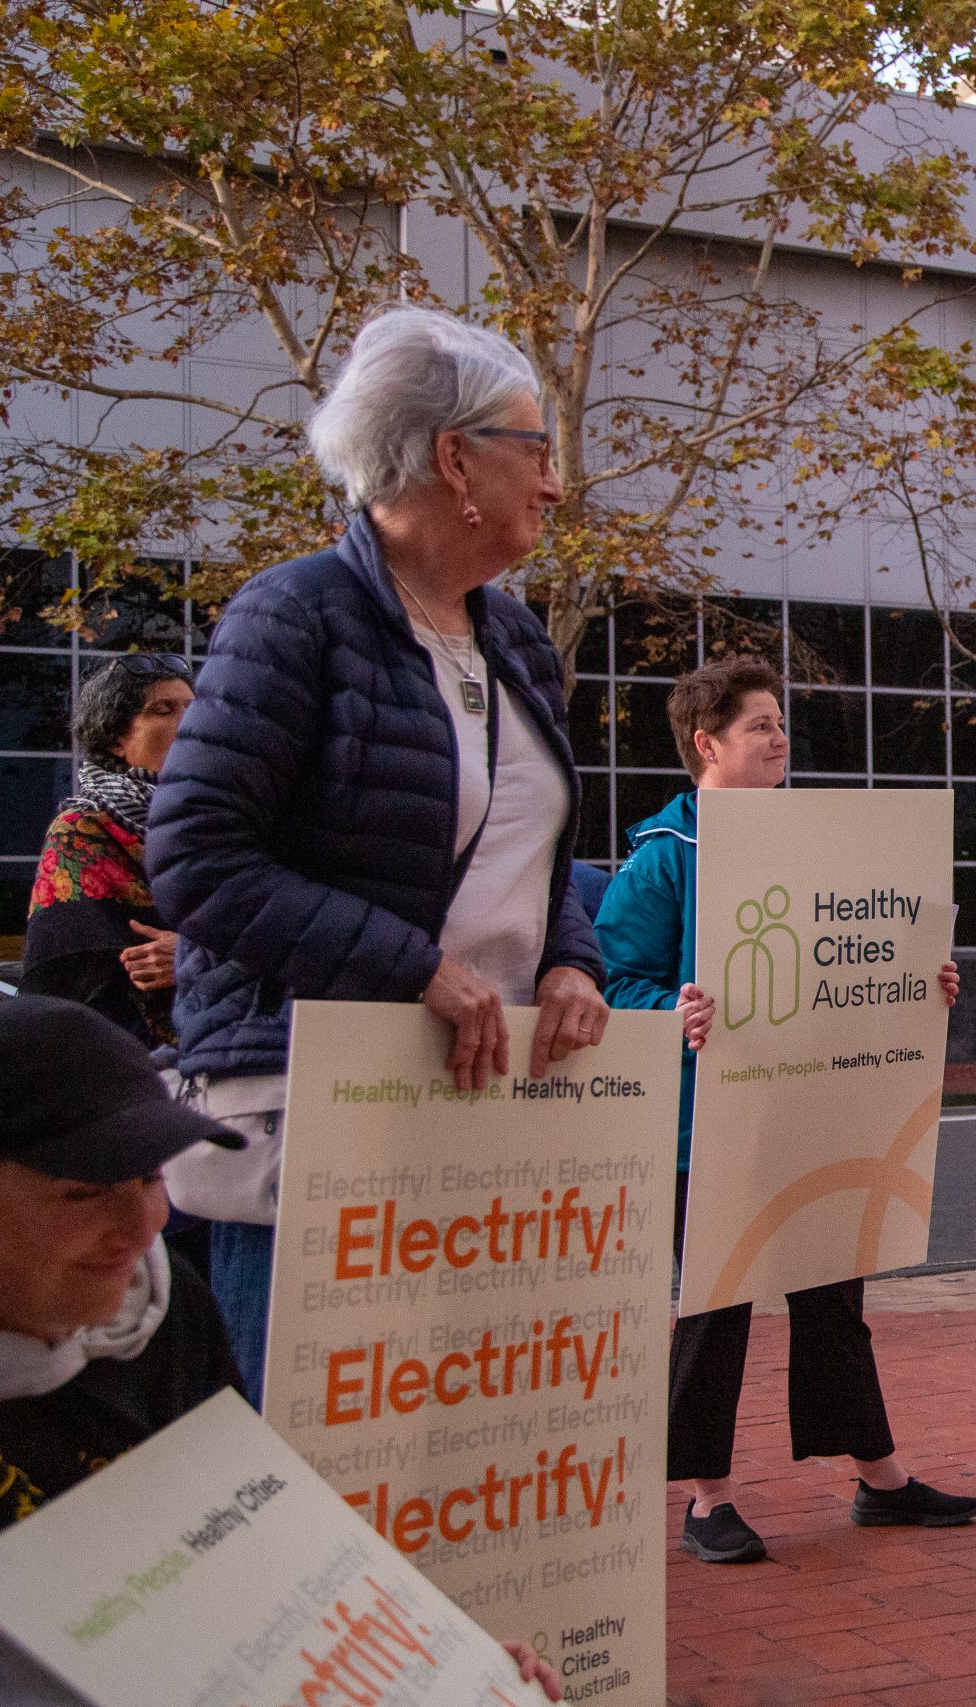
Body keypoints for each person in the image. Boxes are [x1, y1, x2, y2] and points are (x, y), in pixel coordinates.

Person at [147, 306, 610, 1403]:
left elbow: (532, 854)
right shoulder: (294, 613)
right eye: (537, 449)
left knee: (455, 1445)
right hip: (314, 1110)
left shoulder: (515, 638)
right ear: (455, 458)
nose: (555, 485)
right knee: (307, 1453)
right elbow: (197, 855)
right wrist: (414, 969)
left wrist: (570, 961)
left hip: (481, 1107)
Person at [0, 995, 562, 1705]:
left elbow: (255, 1546)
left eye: (150, 1177)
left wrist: (440, 1662)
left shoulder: (166, 1307)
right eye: (83, 1193)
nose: (142, 1227)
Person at [594, 655, 976, 1563]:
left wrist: (919, 981)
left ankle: (880, 1478)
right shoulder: (666, 855)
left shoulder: (814, 842)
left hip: (817, 1107)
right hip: (708, 1124)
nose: (780, 738)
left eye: (779, 721)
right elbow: (612, 981)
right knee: (715, 1304)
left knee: (834, 1291)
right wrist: (669, 1011)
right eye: (759, 725)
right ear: (707, 744)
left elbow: (859, 946)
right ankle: (706, 1501)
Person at [20, 654, 197, 1048]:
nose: (189, 722)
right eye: (163, 710)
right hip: (131, 1060)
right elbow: (76, 975)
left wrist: (193, 957)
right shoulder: (83, 831)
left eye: (193, 707)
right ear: (116, 737)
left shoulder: (234, 819)